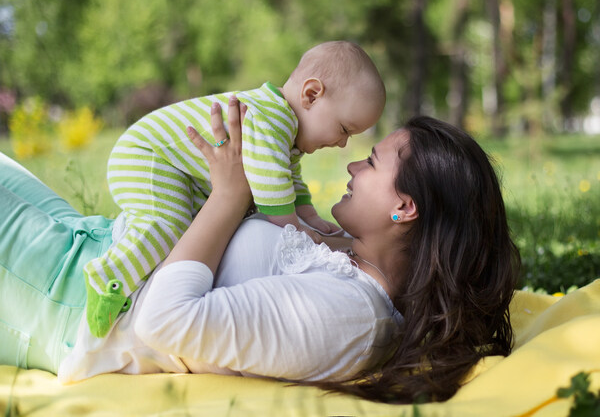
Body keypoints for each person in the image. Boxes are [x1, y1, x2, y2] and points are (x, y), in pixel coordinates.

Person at [0, 98, 520, 403]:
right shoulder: (349, 259)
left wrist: (229, 197)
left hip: (62, 299)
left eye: (372, 162)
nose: (353, 167)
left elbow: (164, 321)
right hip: (82, 245)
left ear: (404, 208)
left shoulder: (351, 318)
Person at [85, 40, 387, 338]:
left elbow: (288, 178)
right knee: (169, 223)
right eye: (344, 129)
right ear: (311, 95)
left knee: (186, 230)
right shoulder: (271, 119)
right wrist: (296, 229)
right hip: (147, 156)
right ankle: (109, 277)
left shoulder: (284, 126)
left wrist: (308, 214)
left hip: (170, 164)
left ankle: (132, 276)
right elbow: (272, 188)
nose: (343, 143)